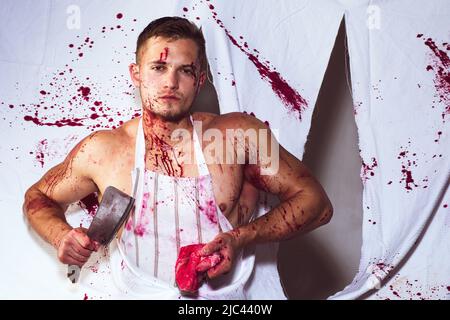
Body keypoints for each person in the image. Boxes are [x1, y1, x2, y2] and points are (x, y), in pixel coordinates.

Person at [23, 16, 333, 299]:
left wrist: (240, 238)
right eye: (159, 68)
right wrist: (60, 235)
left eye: (184, 71)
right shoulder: (104, 150)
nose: (171, 83)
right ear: (136, 74)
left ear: (199, 80)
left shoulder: (238, 136)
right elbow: (37, 197)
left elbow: (317, 205)